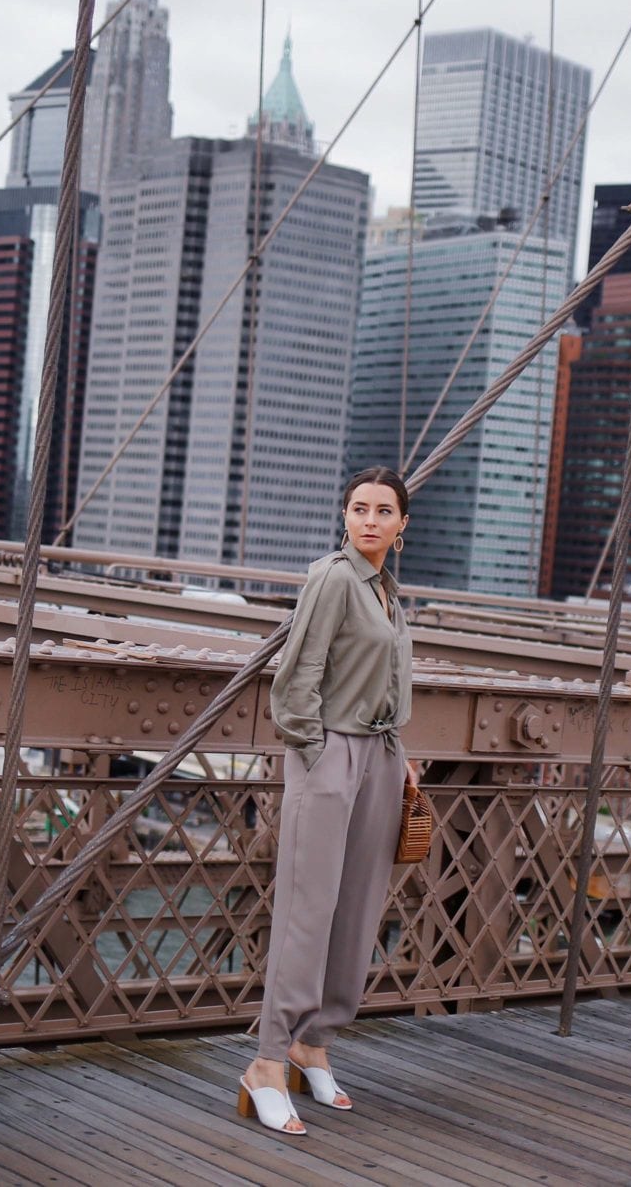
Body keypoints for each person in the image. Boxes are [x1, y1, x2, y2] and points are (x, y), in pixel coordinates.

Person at [236, 466, 417, 1137]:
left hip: (382, 755)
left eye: (383, 510)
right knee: (307, 911)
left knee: (359, 904)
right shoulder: (334, 578)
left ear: (402, 525)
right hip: (331, 753)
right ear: (345, 516)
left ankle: (317, 1039)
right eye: (358, 508)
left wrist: (397, 754)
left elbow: (384, 678)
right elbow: (295, 680)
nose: (368, 520)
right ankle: (268, 1060)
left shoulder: (390, 594)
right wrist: (316, 755)